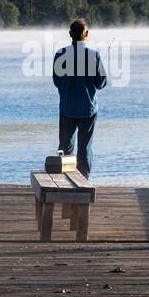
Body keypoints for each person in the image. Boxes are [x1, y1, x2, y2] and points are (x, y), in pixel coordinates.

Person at [52, 18, 107, 178]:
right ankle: (83, 180)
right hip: (87, 109)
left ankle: (63, 179)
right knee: (85, 148)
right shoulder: (93, 55)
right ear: (86, 34)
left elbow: (57, 81)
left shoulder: (60, 54)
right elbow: (101, 83)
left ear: (70, 34)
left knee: (65, 146)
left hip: (67, 107)